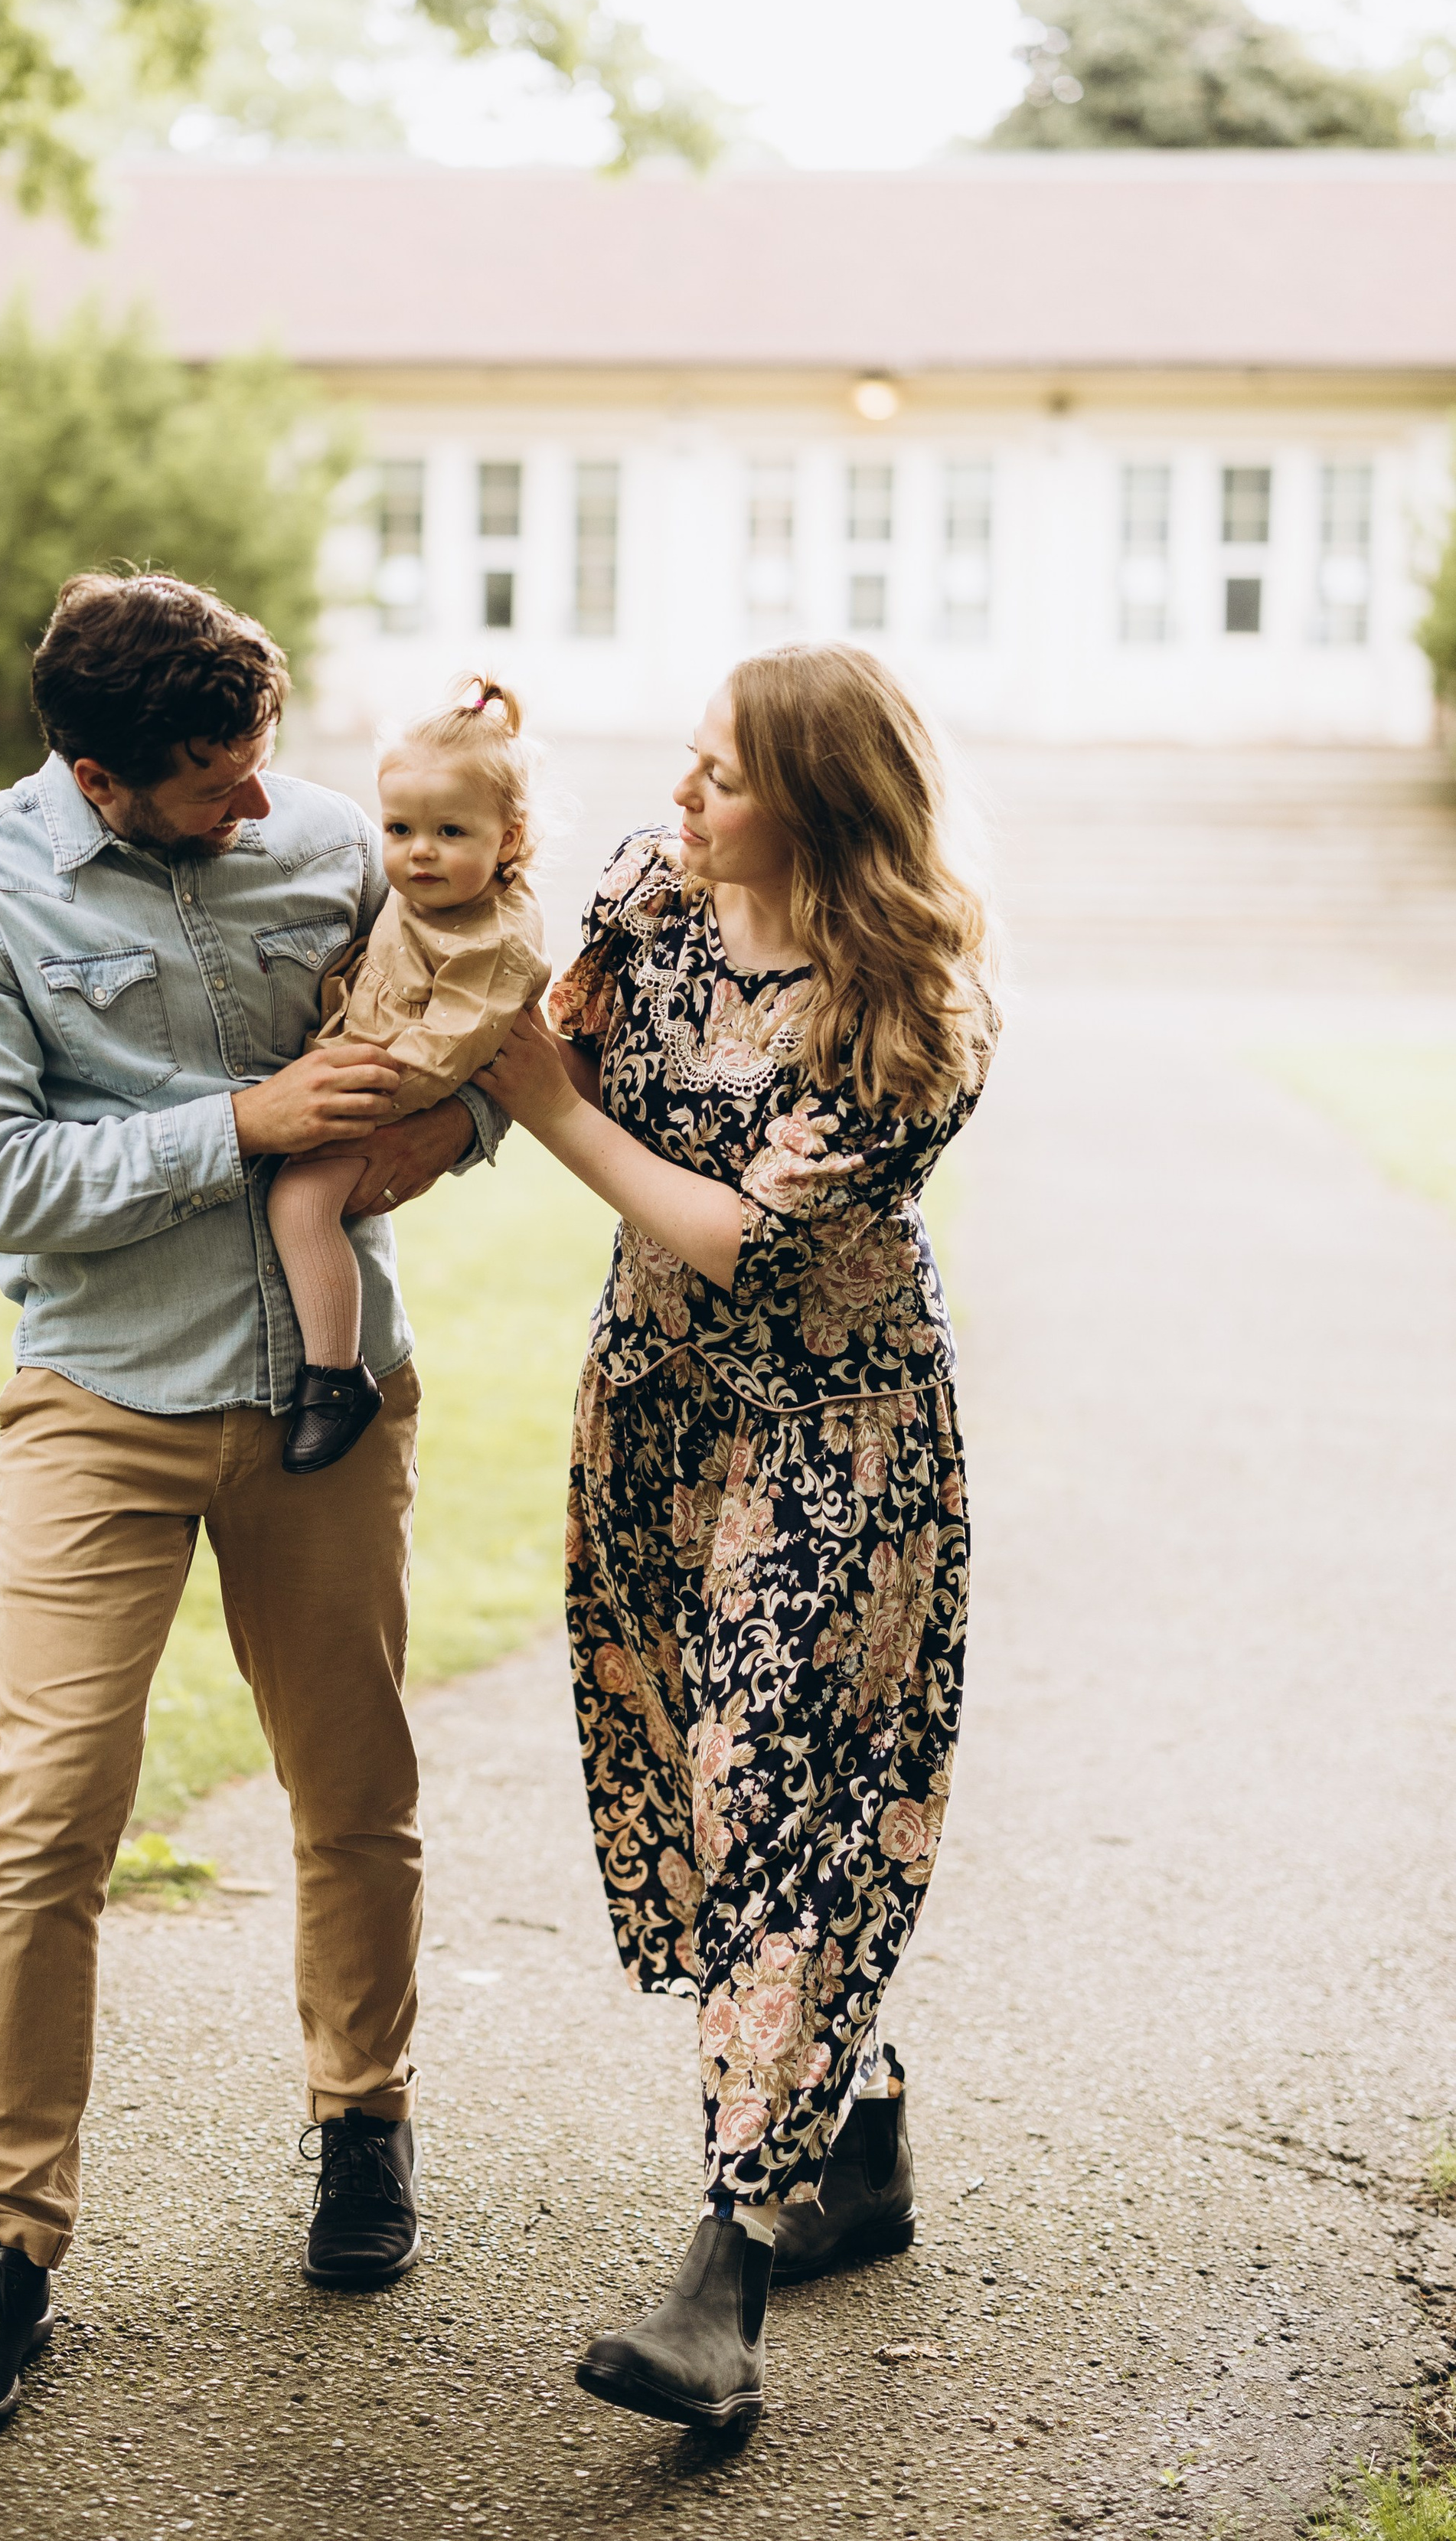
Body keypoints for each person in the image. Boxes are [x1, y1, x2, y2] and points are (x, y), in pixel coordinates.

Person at [0, 571, 507, 2429]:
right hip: (103, 1403)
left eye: (264, 757)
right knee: (47, 1810)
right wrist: (248, 1124)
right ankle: (4, 2240)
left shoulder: (340, 840)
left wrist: (400, 1140)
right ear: (100, 771)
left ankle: (362, 2122)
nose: (266, 805)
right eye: (219, 779)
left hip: (333, 1404)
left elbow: (477, 1054)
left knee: (355, 1784)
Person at [477, 642, 997, 2432]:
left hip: (832, 1446)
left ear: (818, 799)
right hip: (653, 1421)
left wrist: (545, 1107)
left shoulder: (908, 1012)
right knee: (690, 1796)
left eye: (717, 773)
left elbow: (745, 1240)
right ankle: (850, 2139)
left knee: (772, 1804)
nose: (680, 795)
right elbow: (524, 1036)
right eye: (682, 764)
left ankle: (727, 2271)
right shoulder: (654, 894)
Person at [268, 676, 550, 1475]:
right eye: (399, 828)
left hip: (384, 1097)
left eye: (450, 831)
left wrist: (348, 1094)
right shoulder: (427, 895)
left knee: (300, 1201)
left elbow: (449, 1045)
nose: (419, 852)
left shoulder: (496, 938)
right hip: (352, 1068)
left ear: (510, 838)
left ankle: (335, 1378)